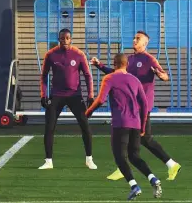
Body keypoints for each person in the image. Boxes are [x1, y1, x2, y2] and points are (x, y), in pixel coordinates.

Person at [90, 30, 181, 180]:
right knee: (133, 140)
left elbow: (165, 76)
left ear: (145, 43)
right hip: (131, 108)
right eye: (134, 38)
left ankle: (171, 164)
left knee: (143, 139)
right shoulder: (129, 59)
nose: (134, 40)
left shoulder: (149, 59)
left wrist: (159, 74)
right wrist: (99, 65)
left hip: (142, 108)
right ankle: (125, 168)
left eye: (138, 39)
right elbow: (115, 73)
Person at [86, 53, 162, 200]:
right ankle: (153, 178)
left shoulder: (109, 78)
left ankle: (134, 186)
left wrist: (88, 112)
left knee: (120, 157)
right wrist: (143, 125)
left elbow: (101, 99)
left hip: (121, 123)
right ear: (127, 64)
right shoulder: (135, 80)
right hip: (135, 123)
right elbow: (145, 104)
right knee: (134, 156)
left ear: (114, 64)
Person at [38, 28, 97, 170]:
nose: (65, 40)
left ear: (71, 39)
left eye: (67, 38)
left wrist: (90, 95)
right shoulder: (51, 55)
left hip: (75, 96)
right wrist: (43, 95)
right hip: (56, 96)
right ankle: (48, 161)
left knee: (85, 126)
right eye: (62, 38)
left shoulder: (78, 54)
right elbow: (44, 76)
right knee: (49, 127)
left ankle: (89, 159)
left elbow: (88, 76)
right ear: (58, 39)